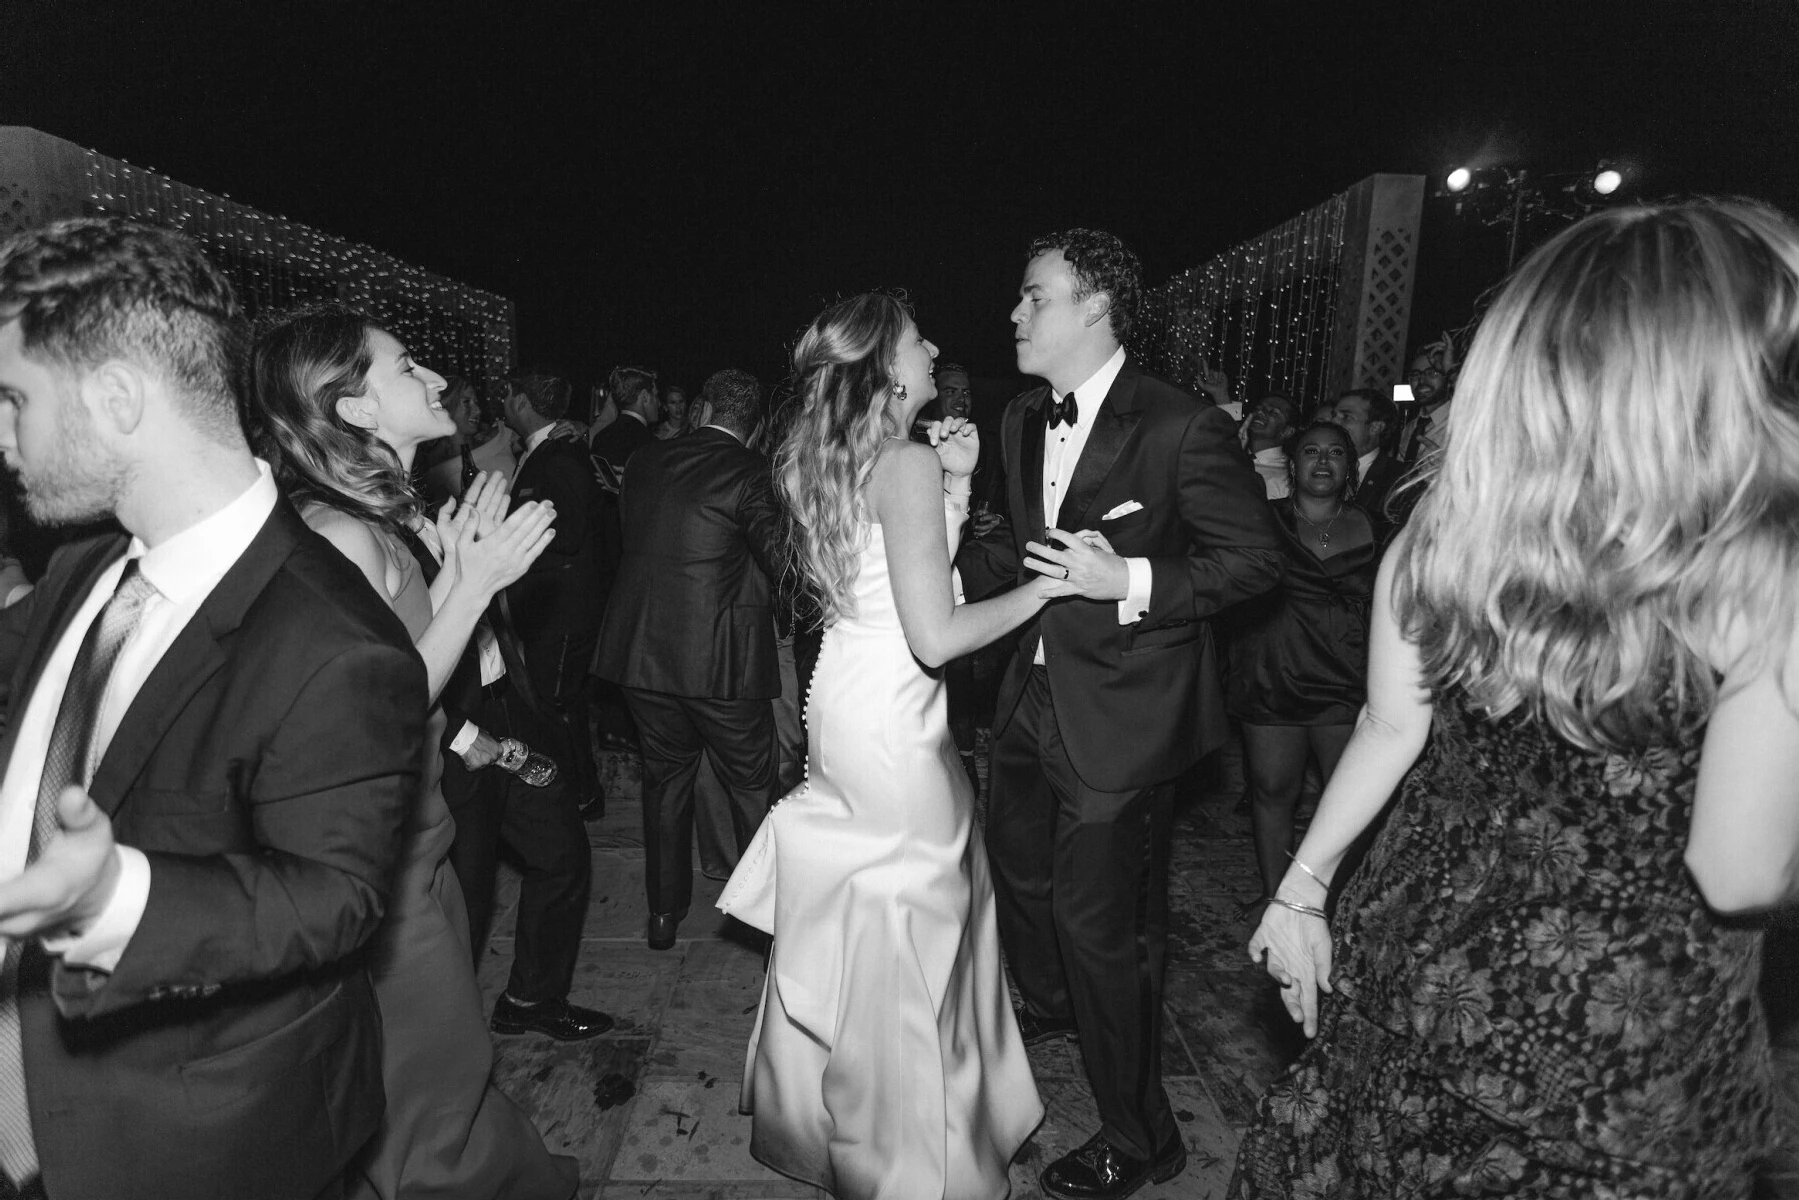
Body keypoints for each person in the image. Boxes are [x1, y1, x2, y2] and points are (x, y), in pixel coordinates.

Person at [1235, 201, 1792, 1197]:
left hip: (1413, 986)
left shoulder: (1439, 532)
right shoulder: (1761, 568)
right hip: (1610, 1064)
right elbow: (1736, 871)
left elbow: (1388, 724)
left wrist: (1299, 889)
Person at [0, 216, 421, 1200]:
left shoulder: (333, 639)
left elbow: (335, 896)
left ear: (115, 398)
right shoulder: (84, 567)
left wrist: (111, 899)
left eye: (15, 399)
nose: (1, 436)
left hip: (179, 1145)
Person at [957, 229, 1283, 1199]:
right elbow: (1019, 557)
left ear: (1094, 304)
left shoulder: (1178, 424)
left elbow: (1256, 560)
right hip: (1027, 699)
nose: (1013, 313)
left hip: (1126, 721)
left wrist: (1129, 576)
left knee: (1106, 930)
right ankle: (1057, 1009)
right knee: (1018, 879)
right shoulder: (1019, 419)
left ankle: (1143, 1138)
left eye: (1032, 296)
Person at [718, 293, 1056, 1200]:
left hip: (852, 700)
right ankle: (912, 1160)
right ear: (884, 366)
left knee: (877, 906)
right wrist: (1046, 591)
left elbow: (891, 576)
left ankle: (835, 1109)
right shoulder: (897, 462)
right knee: (918, 906)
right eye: (917, 338)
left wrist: (957, 485)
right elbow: (936, 635)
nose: (935, 344)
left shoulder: (831, 459)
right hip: (893, 719)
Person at [251, 303, 582, 1200]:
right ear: (352, 410)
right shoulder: (337, 533)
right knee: (429, 1089)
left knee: (442, 1066)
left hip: (421, 833)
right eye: (406, 369)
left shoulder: (375, 517)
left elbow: (411, 660)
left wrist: (452, 574)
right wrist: (468, 587)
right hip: (381, 858)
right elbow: (370, 711)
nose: (436, 380)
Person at [595, 368, 783, 950]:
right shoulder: (753, 473)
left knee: (666, 783)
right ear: (757, 424)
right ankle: (767, 923)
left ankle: (662, 914)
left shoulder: (649, 461)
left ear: (702, 408)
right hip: (720, 663)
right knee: (752, 786)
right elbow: (784, 564)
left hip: (642, 658)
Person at [1225, 421, 1378, 903]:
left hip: (1345, 679)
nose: (1323, 460)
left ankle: (1335, 902)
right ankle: (1280, 901)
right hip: (1274, 672)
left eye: (1336, 452)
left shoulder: (1376, 525)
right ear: (1293, 464)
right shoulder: (1260, 520)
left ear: (1350, 468)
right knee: (1273, 794)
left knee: (1349, 801)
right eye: (1312, 450)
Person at [504, 370, 609, 825]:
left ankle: (580, 796)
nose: (501, 403)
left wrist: (509, 537)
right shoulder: (546, 451)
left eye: (507, 395)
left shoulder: (560, 457)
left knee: (558, 705)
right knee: (558, 703)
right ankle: (577, 792)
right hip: (553, 608)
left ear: (522, 400)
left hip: (564, 610)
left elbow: (567, 534)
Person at [421, 375, 517, 506]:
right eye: (466, 402)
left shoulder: (499, 436)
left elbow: (539, 436)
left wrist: (555, 429)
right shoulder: (430, 470)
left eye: (476, 402)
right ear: (445, 405)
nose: (478, 411)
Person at [1326, 387, 1405, 529]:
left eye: (1346, 417)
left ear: (1375, 427)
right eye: (1333, 415)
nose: (1333, 423)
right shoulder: (1314, 466)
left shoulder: (1397, 480)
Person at [590, 364, 659, 482]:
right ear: (644, 397)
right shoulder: (650, 444)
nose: (659, 403)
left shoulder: (601, 437)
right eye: (656, 396)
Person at [1240, 393, 1299, 499]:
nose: (1260, 412)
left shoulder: (1286, 478)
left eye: (1273, 413)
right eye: (1259, 408)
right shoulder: (1233, 456)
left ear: (1287, 431)